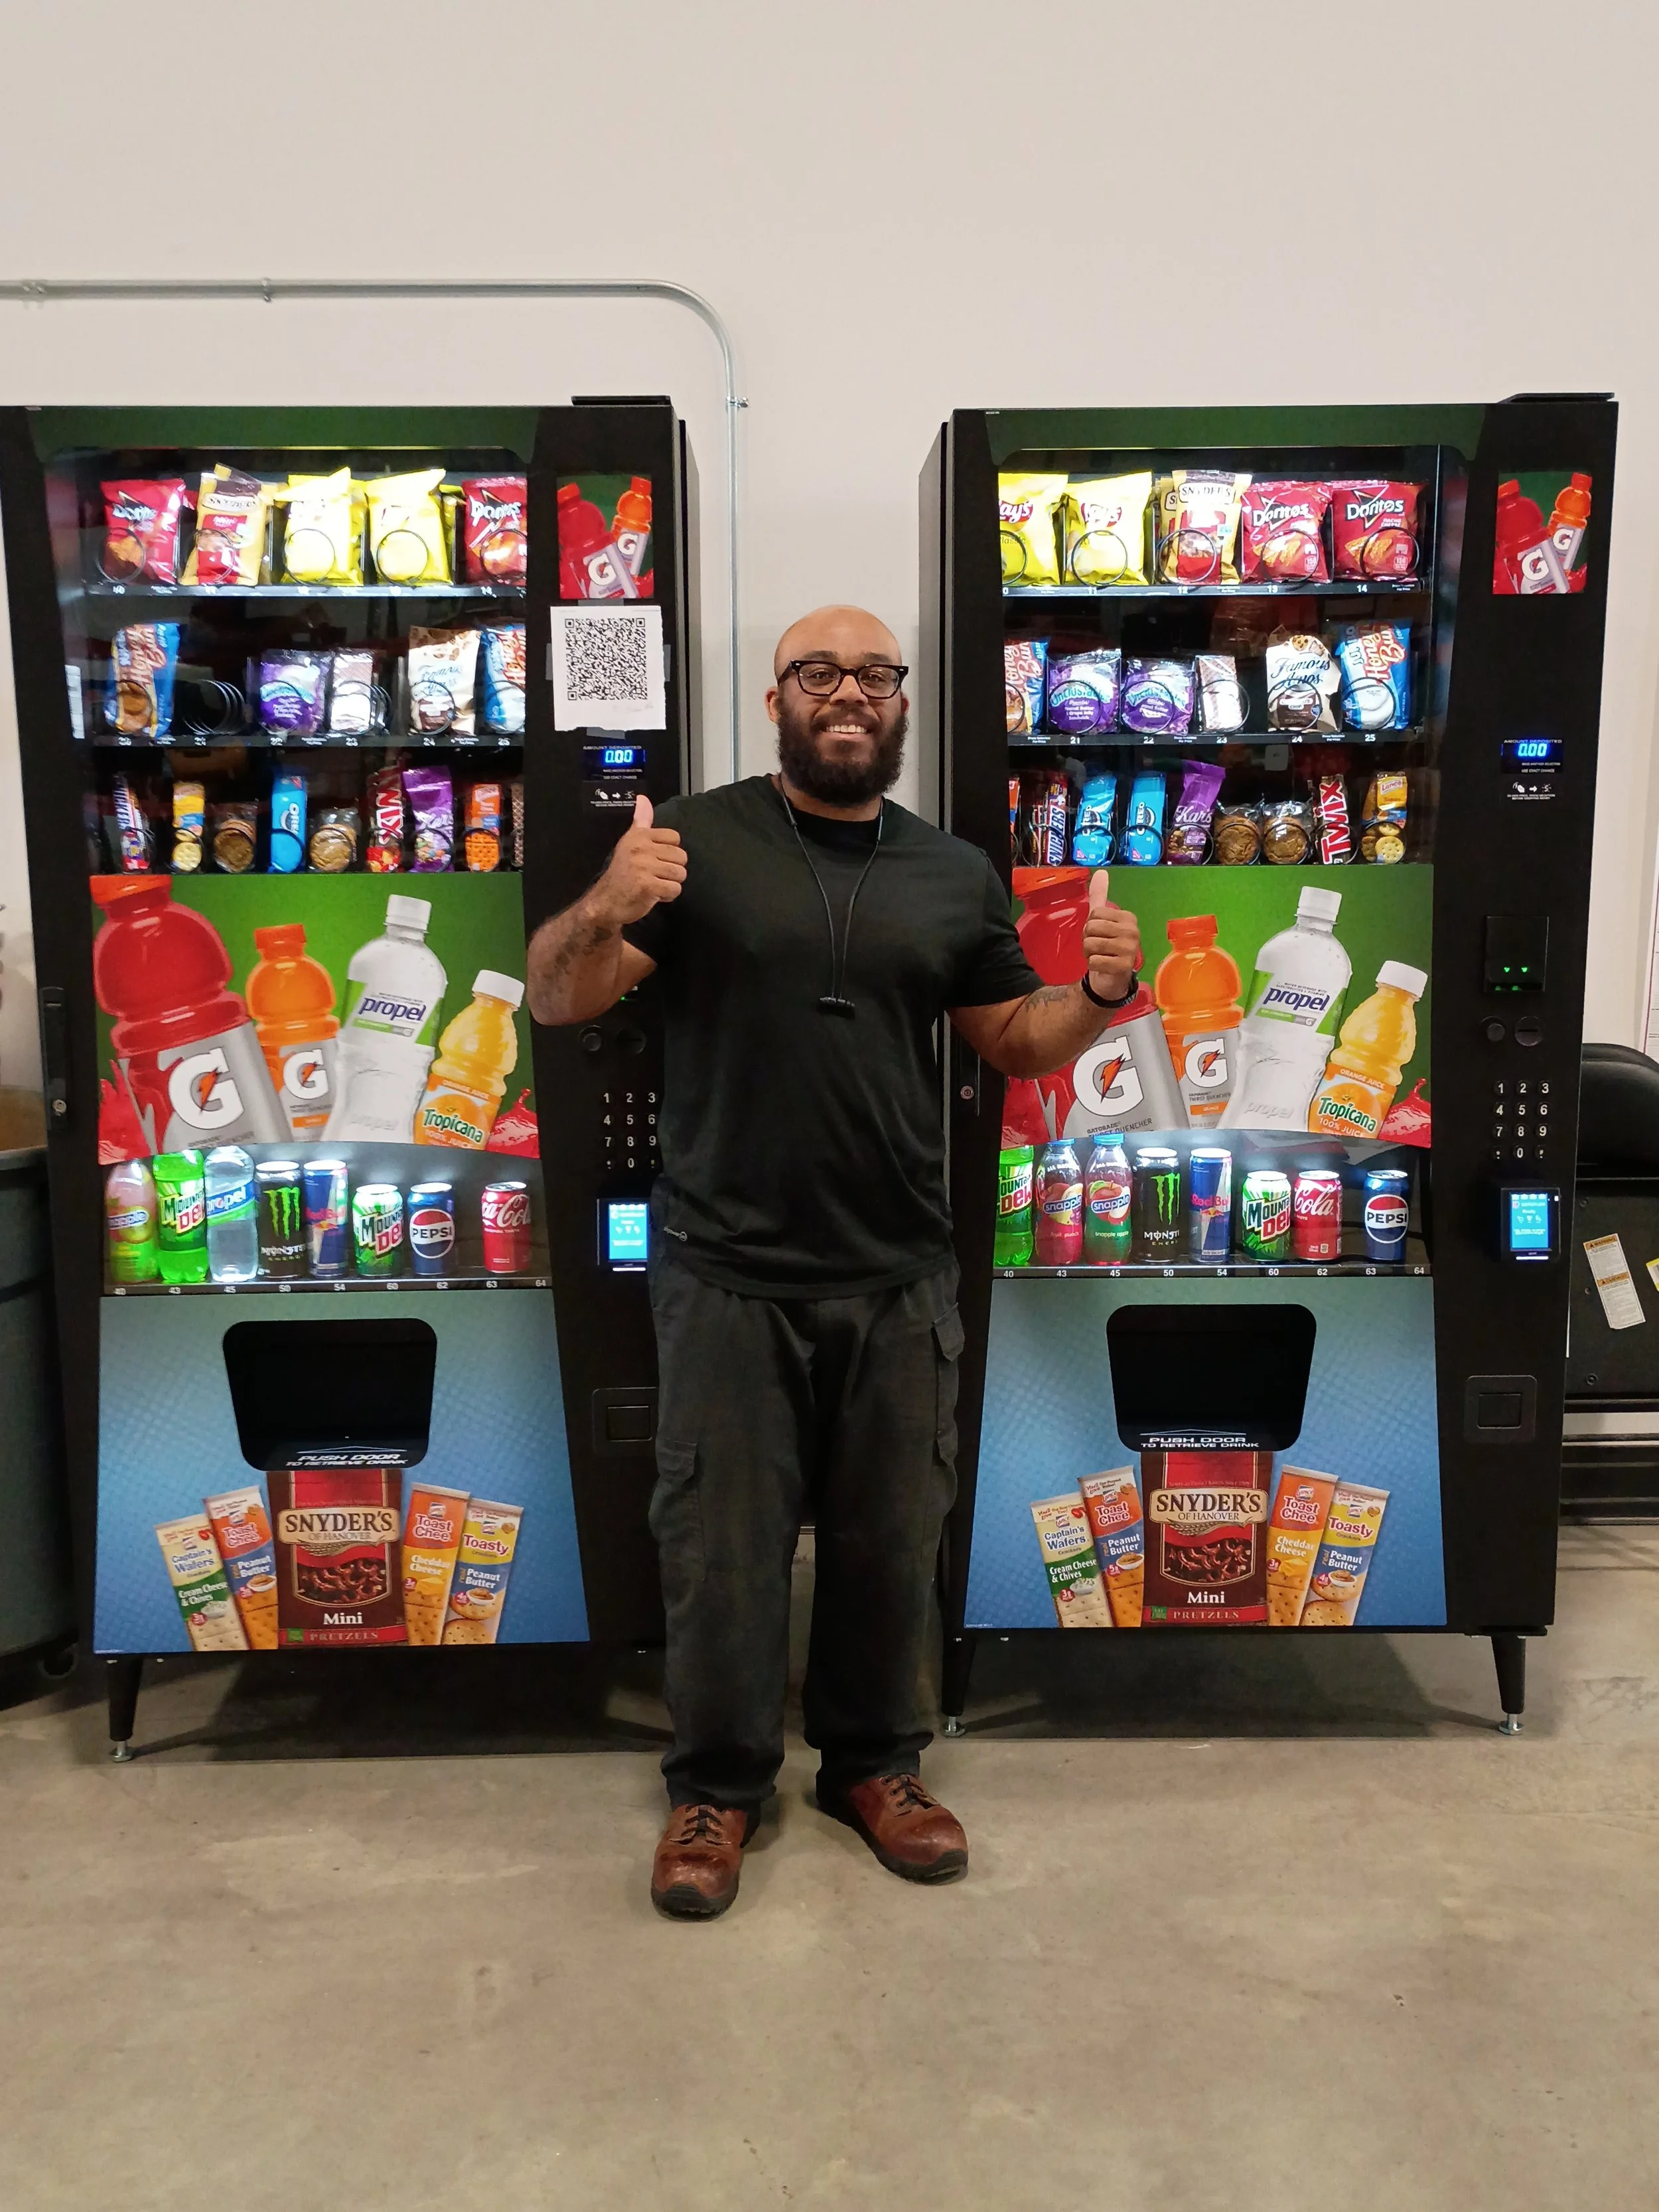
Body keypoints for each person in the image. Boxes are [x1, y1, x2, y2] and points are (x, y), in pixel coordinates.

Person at [526, 605, 1141, 1919]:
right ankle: (717, 1788)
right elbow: (553, 995)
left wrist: (1093, 998)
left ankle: (874, 1767)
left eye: (873, 674)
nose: (847, 694)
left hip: (897, 1269)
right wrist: (602, 903)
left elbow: (1011, 1042)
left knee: (887, 1540)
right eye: (819, 673)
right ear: (776, 700)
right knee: (719, 1552)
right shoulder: (692, 845)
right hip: (726, 1270)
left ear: (901, 703)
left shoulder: (951, 874)